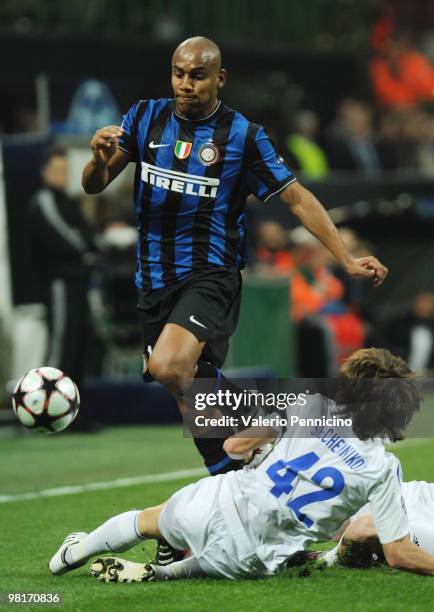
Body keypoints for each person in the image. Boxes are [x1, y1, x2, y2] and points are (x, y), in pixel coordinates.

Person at [82, 36, 388, 477]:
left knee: (170, 365)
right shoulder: (144, 116)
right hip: (152, 280)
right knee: (183, 383)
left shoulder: (243, 137)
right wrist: (96, 160)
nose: (185, 84)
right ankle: (230, 475)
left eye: (198, 75)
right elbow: (95, 185)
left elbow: (297, 199)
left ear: (219, 78)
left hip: (210, 274)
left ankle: (266, 422)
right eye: (179, 73)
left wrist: (343, 257)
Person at [48, 348, 434, 581]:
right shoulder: (384, 468)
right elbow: (398, 554)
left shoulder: (311, 406)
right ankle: (165, 573)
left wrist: (262, 451)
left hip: (217, 506)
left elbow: (233, 445)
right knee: (253, 551)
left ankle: (74, 553)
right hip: (254, 559)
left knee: (146, 520)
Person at [29, 147, 99, 429]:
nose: (61, 176)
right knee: (62, 347)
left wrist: (90, 249)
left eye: (64, 171)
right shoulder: (43, 200)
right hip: (59, 284)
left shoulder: (68, 201)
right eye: (56, 170)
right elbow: (64, 236)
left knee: (80, 346)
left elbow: (89, 234)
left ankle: (73, 416)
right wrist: (85, 252)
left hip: (78, 283)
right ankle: (48, 414)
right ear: (45, 172)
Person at [318, 479, 434, 569]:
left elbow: (365, 527)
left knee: (364, 528)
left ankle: (327, 558)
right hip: (404, 493)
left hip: (401, 509)